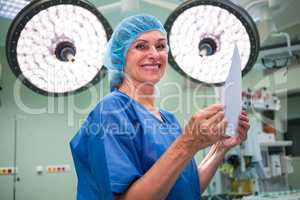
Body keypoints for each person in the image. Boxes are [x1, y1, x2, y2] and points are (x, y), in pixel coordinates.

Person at [70, 14, 250, 200]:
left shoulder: (168, 120)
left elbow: (187, 189)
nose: (154, 54)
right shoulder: (111, 111)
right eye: (141, 46)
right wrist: (188, 143)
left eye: (161, 46)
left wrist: (219, 148)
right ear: (120, 55)